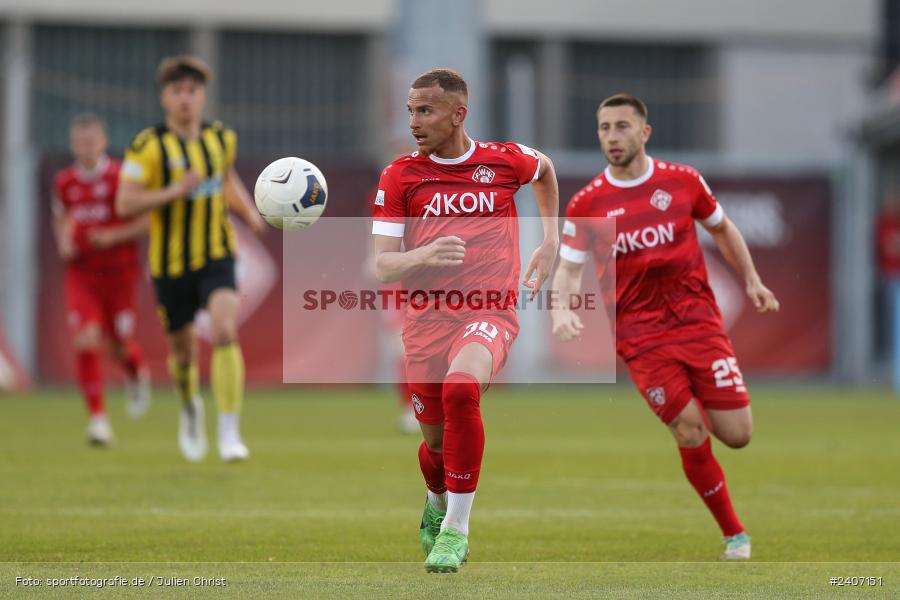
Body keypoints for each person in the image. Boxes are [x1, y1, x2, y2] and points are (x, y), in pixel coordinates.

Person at [551, 93, 779, 560]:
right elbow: (569, 268)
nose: (612, 137)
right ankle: (735, 535)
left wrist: (752, 280)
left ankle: (699, 406)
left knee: (738, 434)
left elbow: (722, 228)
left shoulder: (682, 181)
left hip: (698, 324)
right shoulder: (588, 202)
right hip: (640, 338)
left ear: (644, 132)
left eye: (621, 126)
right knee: (689, 430)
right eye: (604, 128)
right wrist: (560, 309)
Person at [372, 68, 559, 572]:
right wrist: (425, 254)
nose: (414, 121)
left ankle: (456, 530)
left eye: (425, 110)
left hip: (488, 311)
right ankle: (436, 500)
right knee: (435, 445)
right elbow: (382, 265)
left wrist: (551, 239)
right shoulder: (399, 176)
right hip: (425, 321)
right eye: (410, 111)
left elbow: (544, 169)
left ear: (458, 114)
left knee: (461, 389)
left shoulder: (503, 160)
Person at [116, 55, 266, 462]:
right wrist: (173, 191)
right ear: (164, 97)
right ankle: (189, 407)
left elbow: (226, 178)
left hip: (217, 253)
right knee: (183, 353)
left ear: (202, 96)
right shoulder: (147, 145)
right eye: (177, 91)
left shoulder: (221, 138)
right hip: (170, 264)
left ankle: (230, 432)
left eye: (192, 91)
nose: (185, 98)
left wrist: (249, 212)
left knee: (224, 331)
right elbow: (125, 202)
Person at [52, 113, 151, 445]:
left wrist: (112, 237)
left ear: (104, 142)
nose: (86, 147)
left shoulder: (122, 177)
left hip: (120, 275)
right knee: (85, 339)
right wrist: (64, 241)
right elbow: (61, 218)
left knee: (119, 346)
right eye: (80, 142)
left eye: (91, 141)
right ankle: (98, 420)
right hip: (82, 275)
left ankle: (136, 374)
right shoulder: (65, 182)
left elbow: (148, 222)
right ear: (73, 145)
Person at [876, 190, 900, 392]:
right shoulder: (885, 223)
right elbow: (888, 248)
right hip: (892, 278)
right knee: (895, 329)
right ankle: (896, 377)